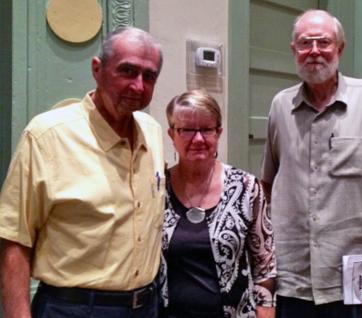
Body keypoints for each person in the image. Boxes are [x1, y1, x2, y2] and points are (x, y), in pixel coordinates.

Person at [0, 26, 165, 318]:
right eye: (127, 71)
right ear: (97, 70)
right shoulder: (47, 136)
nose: (138, 86)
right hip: (74, 309)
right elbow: (14, 239)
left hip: (146, 306)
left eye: (149, 76)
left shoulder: (152, 132)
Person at [261, 9, 362, 318]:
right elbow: (267, 189)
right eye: (304, 43)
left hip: (360, 290)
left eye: (323, 42)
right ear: (293, 50)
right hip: (293, 286)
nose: (314, 51)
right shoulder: (280, 106)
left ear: (340, 48)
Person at [160, 89, 277, 318]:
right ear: (171, 133)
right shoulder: (157, 188)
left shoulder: (246, 187)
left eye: (206, 129)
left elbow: (265, 267)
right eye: (187, 130)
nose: (198, 139)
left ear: (219, 132)